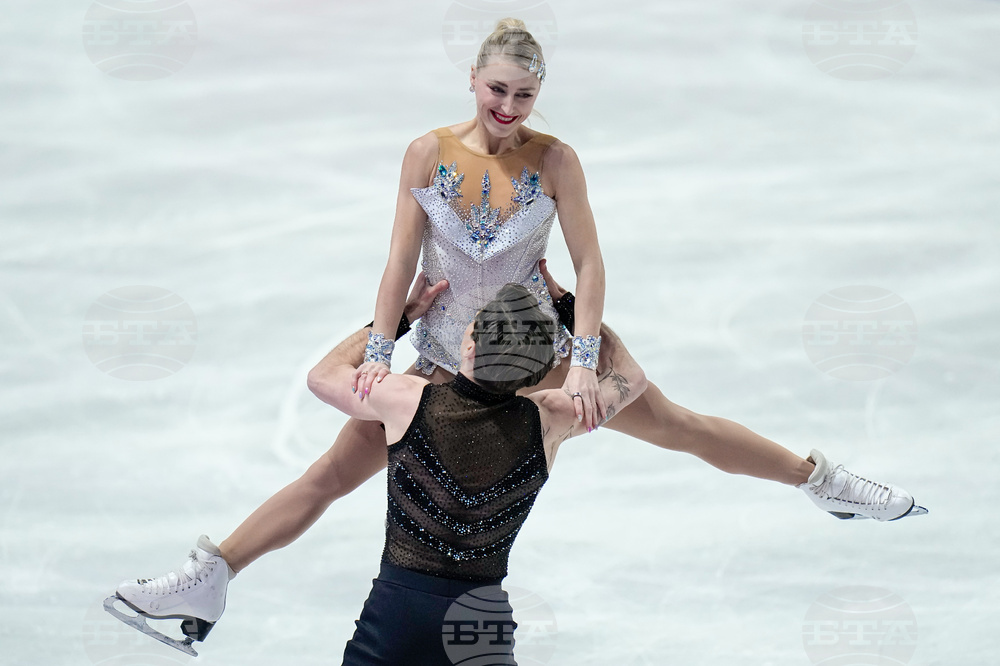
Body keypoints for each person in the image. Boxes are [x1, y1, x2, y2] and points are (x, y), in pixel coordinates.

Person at [105, 16, 926, 658]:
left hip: (537, 342)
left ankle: (819, 479)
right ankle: (210, 578)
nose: (507, 107)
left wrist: (579, 360)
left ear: (539, 96)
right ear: (472, 79)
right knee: (331, 473)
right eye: (497, 89)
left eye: (523, 96)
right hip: (444, 352)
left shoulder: (557, 161)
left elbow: (592, 263)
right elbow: (398, 260)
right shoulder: (426, 154)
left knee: (676, 425)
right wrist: (384, 349)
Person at [108, 281, 650, 663]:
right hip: (481, 622)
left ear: (467, 340)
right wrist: (577, 313)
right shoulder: (552, 418)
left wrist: (400, 320)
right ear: (537, 373)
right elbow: (629, 376)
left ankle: (213, 574)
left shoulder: (408, 399)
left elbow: (324, 377)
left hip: (397, 614)